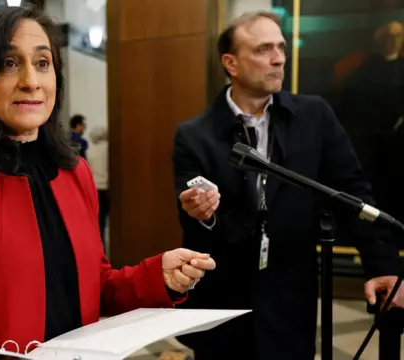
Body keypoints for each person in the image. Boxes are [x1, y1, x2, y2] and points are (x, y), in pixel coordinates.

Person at [0, 6, 216, 360]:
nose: (31, 80)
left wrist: (155, 276)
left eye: (43, 63)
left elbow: (94, 287)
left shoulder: (74, 172)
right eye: (10, 63)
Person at [172, 11, 403, 360]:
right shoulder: (194, 136)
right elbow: (195, 226)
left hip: (290, 297)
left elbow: (352, 194)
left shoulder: (314, 117)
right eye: (264, 49)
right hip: (224, 302)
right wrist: (202, 214)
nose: (279, 58)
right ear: (230, 63)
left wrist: (381, 264)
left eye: (280, 47)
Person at [87, 126, 109, 246]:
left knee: (100, 222)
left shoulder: (90, 151)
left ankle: (102, 248)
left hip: (96, 188)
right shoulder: (109, 149)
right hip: (108, 187)